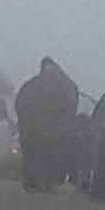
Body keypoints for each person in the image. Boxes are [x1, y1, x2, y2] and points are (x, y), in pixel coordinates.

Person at [16, 57, 80, 192]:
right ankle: (46, 183)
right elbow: (71, 105)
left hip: (34, 131)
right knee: (48, 157)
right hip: (49, 131)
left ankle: (34, 183)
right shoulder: (65, 84)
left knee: (35, 156)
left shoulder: (30, 86)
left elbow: (20, 106)